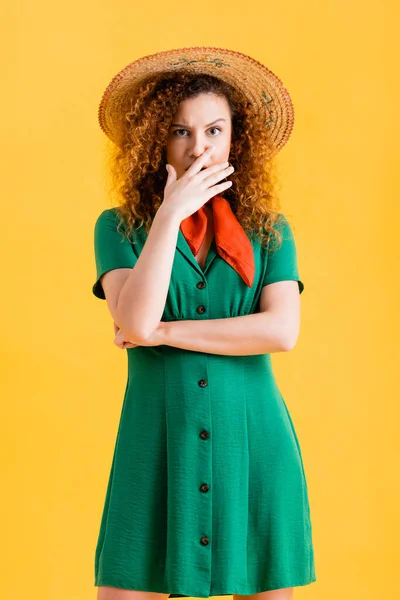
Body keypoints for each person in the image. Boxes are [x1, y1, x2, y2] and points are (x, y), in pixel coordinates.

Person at [92, 47, 316, 600]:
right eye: (180, 132)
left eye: (214, 130)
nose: (199, 148)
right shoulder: (118, 228)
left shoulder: (270, 231)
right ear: (156, 141)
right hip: (155, 440)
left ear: (235, 138)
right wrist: (169, 213)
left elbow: (280, 332)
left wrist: (164, 334)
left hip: (254, 441)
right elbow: (136, 316)